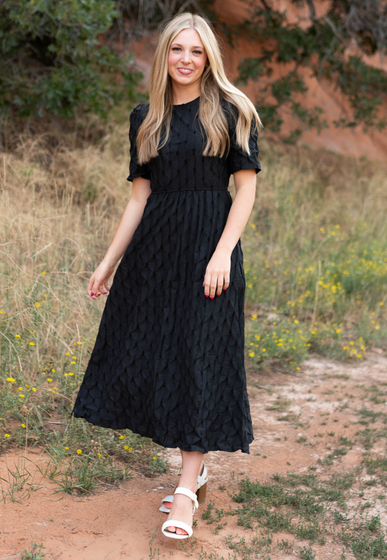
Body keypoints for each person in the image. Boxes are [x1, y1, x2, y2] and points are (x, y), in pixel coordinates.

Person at [71, 11, 262, 540]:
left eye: (196, 51)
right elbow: (139, 197)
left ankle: (184, 493)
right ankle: (195, 475)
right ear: (164, 55)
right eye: (177, 49)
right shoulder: (146, 117)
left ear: (209, 59)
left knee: (200, 356)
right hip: (155, 254)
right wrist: (109, 261)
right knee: (162, 356)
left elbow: (244, 189)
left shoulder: (230, 110)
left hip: (209, 252)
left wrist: (223, 252)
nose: (186, 59)